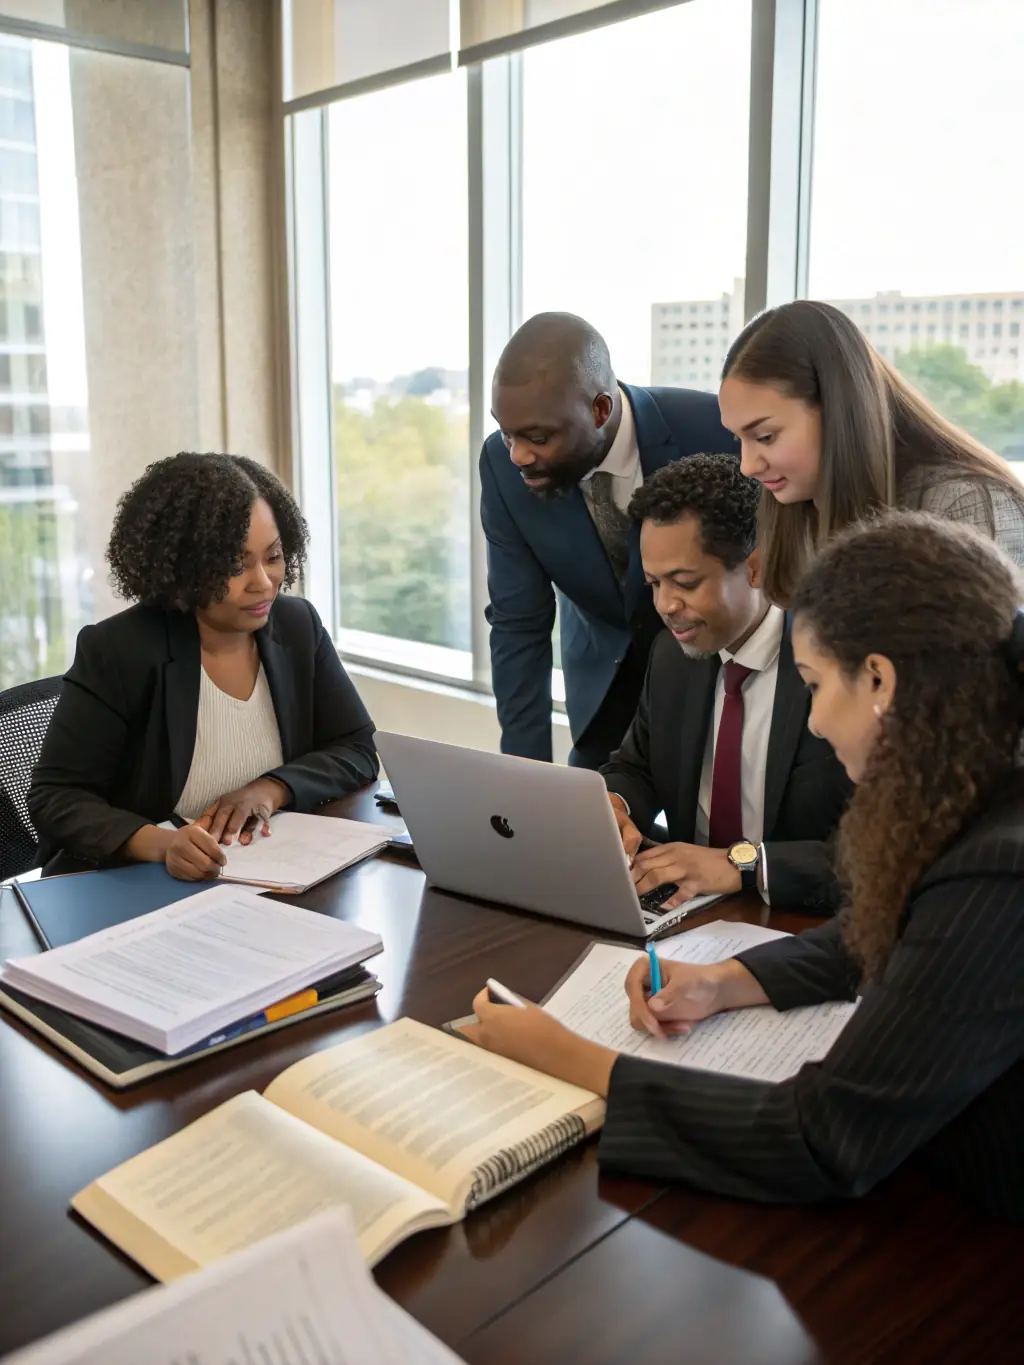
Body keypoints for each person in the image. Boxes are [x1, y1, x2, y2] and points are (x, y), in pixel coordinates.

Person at [465, 513, 1024, 1220]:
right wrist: (728, 980)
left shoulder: (1001, 870)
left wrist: (571, 1058)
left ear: (879, 679)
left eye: (815, 685)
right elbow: (899, 930)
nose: (814, 720)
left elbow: (820, 1134)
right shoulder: (983, 784)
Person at [29, 453, 378, 880]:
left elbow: (356, 748)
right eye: (235, 565)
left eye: (272, 556)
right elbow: (57, 797)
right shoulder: (119, 650)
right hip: (138, 885)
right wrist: (161, 844)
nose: (263, 582)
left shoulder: (297, 625)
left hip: (263, 875)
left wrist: (271, 789)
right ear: (182, 568)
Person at [482, 311, 737, 768]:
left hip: (714, 689)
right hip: (602, 699)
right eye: (506, 432)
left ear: (600, 410)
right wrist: (523, 776)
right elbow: (518, 624)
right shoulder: (501, 467)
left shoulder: (713, 430)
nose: (518, 454)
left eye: (537, 436)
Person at [603, 455, 850, 912]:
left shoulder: (835, 664)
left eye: (684, 582)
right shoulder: (672, 656)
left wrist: (744, 865)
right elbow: (636, 768)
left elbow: (881, 853)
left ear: (756, 567)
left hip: (798, 918)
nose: (665, 605)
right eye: (654, 583)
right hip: (684, 912)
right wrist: (614, 805)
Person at [718, 299, 1024, 605]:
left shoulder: (965, 504)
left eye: (766, 437)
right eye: (738, 439)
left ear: (839, 413)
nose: (747, 466)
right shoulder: (801, 503)